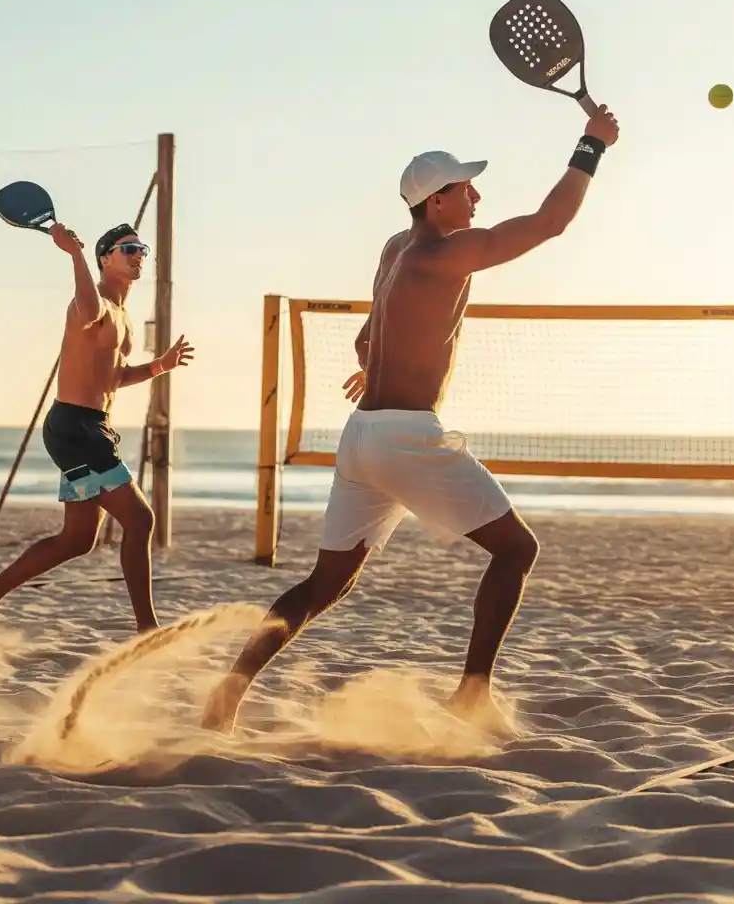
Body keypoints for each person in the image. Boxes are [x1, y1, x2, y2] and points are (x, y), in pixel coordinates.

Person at [202, 107, 620, 734]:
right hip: (404, 436)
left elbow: (366, 336)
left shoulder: (395, 249)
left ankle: (227, 695)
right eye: (465, 187)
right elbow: (549, 224)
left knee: (325, 585)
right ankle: (472, 693)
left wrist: (375, 365)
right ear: (436, 203)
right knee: (517, 550)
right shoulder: (442, 254)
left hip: (362, 437)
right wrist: (593, 143)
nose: (476, 194)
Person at [0, 222, 194, 632]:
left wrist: (161, 365)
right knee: (140, 520)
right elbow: (86, 310)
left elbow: (115, 378)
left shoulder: (123, 315)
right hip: (77, 427)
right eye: (128, 249)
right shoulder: (96, 305)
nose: (138, 255)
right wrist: (73, 254)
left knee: (78, 539)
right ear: (105, 258)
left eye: (141, 249)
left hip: (86, 427)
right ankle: (148, 629)